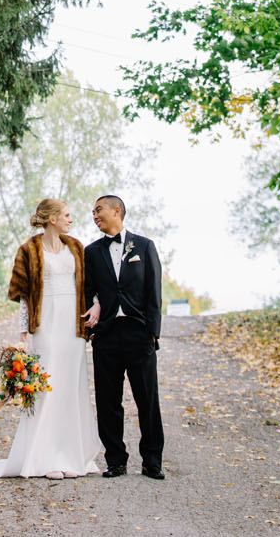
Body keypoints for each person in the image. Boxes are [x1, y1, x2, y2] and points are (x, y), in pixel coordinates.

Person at [0, 198, 100, 480]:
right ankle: (46, 457)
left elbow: (91, 284)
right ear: (52, 218)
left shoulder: (76, 247)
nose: (70, 219)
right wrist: (23, 334)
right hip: (45, 324)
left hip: (73, 327)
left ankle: (71, 455)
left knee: (70, 387)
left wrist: (97, 303)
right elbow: (25, 298)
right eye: (66, 214)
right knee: (47, 388)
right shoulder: (28, 250)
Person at [83, 193, 166, 479]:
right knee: (108, 401)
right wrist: (91, 320)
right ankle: (115, 460)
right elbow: (86, 289)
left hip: (138, 333)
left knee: (148, 400)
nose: (94, 216)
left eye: (98, 210)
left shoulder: (144, 246)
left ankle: (152, 460)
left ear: (116, 211)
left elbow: (154, 291)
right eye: (93, 212)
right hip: (106, 335)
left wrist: (152, 333)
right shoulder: (91, 252)